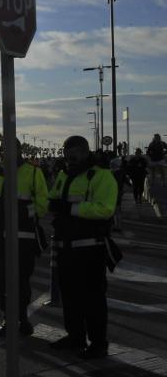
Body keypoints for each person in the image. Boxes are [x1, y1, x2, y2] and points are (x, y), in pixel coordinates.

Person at [47, 135, 119, 358]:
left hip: (90, 248)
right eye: (66, 152)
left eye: (74, 152)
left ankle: (98, 343)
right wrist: (52, 204)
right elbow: (55, 200)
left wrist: (70, 209)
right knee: (69, 295)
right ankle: (75, 336)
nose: (70, 156)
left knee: (93, 298)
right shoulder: (64, 174)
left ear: (86, 151)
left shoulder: (101, 176)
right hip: (65, 246)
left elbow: (105, 209)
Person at [0, 141, 48, 338]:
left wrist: (26, 213)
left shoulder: (32, 172)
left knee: (22, 278)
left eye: (11, 150)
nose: (6, 153)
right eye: (3, 150)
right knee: (2, 279)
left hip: (24, 235)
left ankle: (22, 318)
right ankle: (7, 318)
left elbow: (42, 201)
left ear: (19, 151)